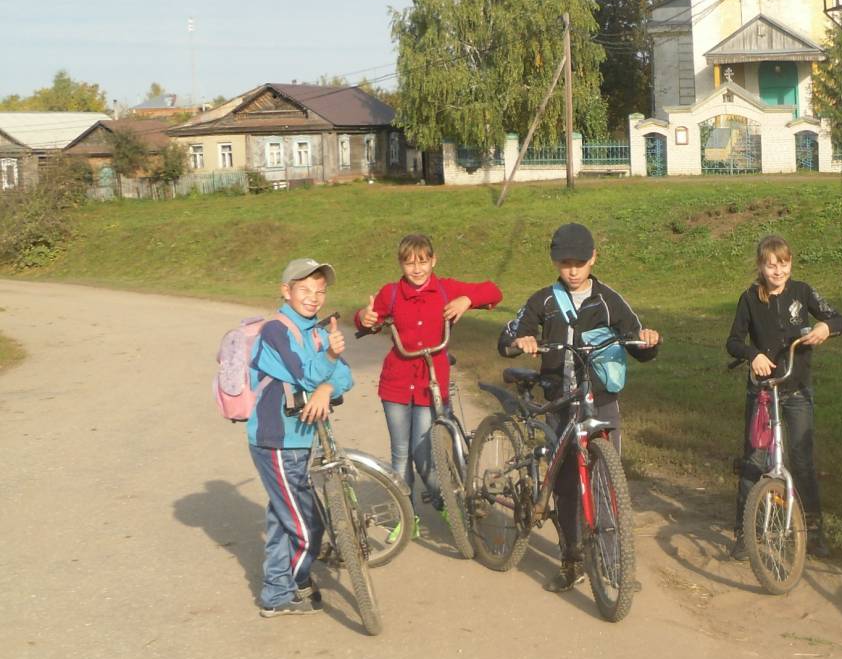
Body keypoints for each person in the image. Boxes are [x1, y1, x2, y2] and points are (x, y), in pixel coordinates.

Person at [497, 223, 660, 592]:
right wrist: (521, 339)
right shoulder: (545, 300)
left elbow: (637, 341)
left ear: (593, 259)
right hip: (560, 402)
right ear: (555, 262)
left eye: (580, 263)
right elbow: (507, 336)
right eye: (565, 262)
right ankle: (572, 559)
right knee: (567, 486)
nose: (572, 270)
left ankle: (614, 564)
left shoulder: (608, 300)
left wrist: (648, 341)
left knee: (607, 484)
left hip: (601, 403)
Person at [355, 233, 501, 526]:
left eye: (422, 262)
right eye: (409, 263)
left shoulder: (446, 289)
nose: (417, 269)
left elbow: (493, 291)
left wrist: (466, 299)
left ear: (433, 261)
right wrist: (365, 317)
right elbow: (366, 321)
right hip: (396, 383)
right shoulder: (392, 293)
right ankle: (404, 517)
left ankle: (443, 500)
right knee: (399, 454)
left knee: (423, 455)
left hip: (429, 385)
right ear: (401, 264)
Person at [725, 234, 842, 560]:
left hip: (797, 390)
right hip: (763, 392)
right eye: (770, 264)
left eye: (783, 264)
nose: (777, 271)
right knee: (755, 460)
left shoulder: (802, 291)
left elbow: (838, 319)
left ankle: (814, 530)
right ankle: (745, 531)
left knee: (802, 461)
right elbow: (733, 341)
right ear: (761, 266)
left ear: (791, 264)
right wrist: (753, 354)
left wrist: (825, 328)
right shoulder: (750, 299)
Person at [247, 258, 353, 617]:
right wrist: (329, 363)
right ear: (285, 291)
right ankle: (296, 582)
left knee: (283, 515)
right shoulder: (276, 331)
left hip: (301, 438)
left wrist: (327, 383)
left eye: (320, 291)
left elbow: (346, 378)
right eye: (304, 290)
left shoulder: (317, 330)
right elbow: (306, 375)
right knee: (307, 523)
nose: (313, 298)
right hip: (277, 438)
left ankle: (277, 593)